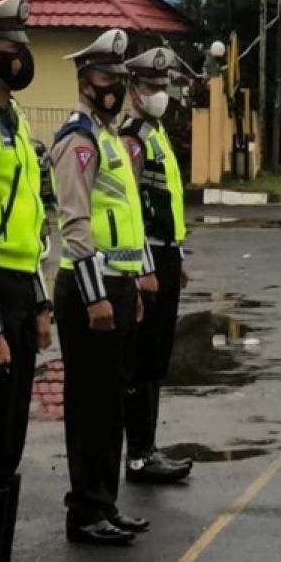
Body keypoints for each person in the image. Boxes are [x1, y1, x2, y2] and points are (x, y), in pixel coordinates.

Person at [51, 29, 154, 546]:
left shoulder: (110, 136)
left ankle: (105, 503)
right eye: (104, 77)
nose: (113, 86)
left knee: (110, 402)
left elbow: (127, 220)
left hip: (116, 284)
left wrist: (131, 282)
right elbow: (76, 224)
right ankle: (85, 510)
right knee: (89, 404)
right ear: (84, 81)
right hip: (86, 289)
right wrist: (95, 296)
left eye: (118, 77)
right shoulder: (78, 139)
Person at [0, 0, 56, 562]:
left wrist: (39, 302)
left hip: (16, 288)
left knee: (9, 448)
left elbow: (29, 224)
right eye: (10, 47)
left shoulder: (14, 127)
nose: (20, 57)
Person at [120, 47, 192, 484]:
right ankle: (139, 454)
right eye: (150, 86)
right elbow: (132, 208)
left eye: (163, 87)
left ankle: (149, 447)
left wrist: (177, 255)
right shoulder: (133, 138)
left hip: (166, 254)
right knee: (142, 358)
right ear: (133, 90)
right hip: (145, 257)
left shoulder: (157, 132)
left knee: (158, 356)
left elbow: (167, 201)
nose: (158, 94)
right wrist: (145, 266)